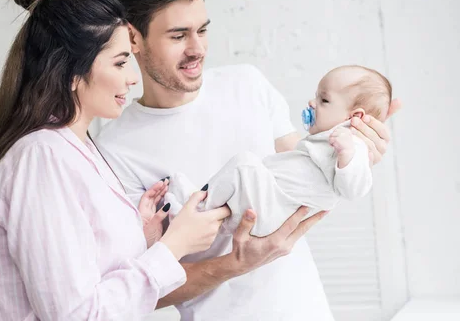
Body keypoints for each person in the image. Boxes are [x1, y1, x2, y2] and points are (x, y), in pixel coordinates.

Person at [97, 0, 400, 320]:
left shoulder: (248, 84)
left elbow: (306, 181)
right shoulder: (113, 150)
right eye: (178, 36)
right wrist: (235, 264)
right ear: (133, 38)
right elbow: (142, 290)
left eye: (203, 30)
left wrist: (356, 152)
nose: (197, 49)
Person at [0, 0, 230, 321]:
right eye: (119, 63)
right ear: (72, 73)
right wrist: (173, 246)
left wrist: (138, 237)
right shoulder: (41, 157)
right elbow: (77, 315)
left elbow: (84, 279)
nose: (132, 77)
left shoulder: (76, 149)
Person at [165, 65, 392, 237]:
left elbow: (353, 190)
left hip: (274, 208)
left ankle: (198, 207)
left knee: (244, 164)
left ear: (356, 117)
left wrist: (347, 155)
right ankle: (200, 209)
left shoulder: (354, 145)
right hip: (270, 201)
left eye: (324, 100)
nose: (312, 103)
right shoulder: (327, 139)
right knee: (244, 173)